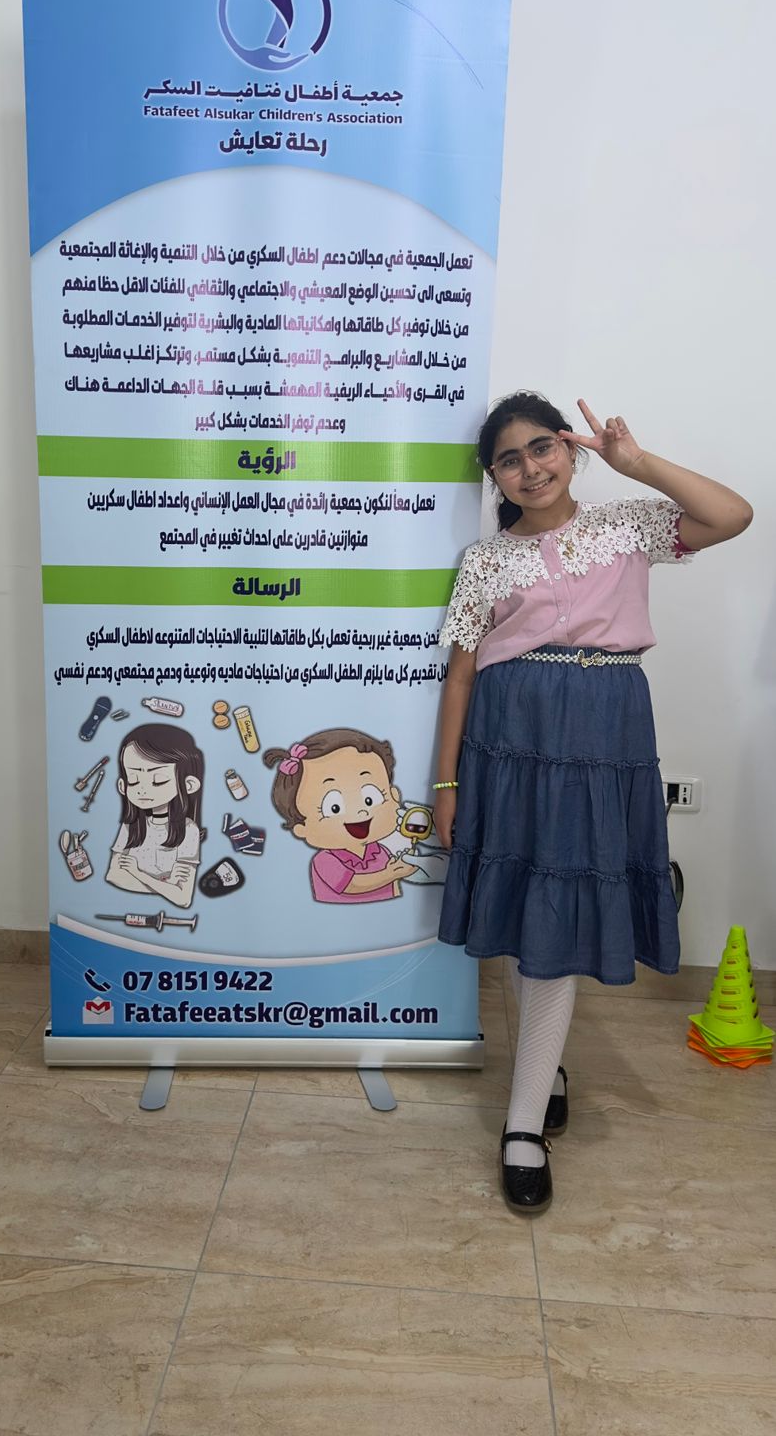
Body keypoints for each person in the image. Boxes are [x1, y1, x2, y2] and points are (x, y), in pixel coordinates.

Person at [433, 391, 752, 1215]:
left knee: (559, 919)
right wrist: (445, 783)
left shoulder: (629, 526)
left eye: (542, 447)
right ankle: (538, 1088)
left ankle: (523, 1120)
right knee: (528, 908)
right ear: (494, 476)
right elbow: (461, 675)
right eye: (509, 459)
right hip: (511, 741)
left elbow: (733, 515)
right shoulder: (485, 560)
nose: (530, 468)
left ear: (570, 451)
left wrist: (635, 462)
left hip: (603, 737)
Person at [263, 728, 417, 902]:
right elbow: (352, 885)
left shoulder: (381, 852)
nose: (360, 812)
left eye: (370, 798)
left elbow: (394, 887)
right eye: (334, 807)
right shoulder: (325, 860)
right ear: (301, 828)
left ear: (394, 795)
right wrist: (391, 874)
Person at [106, 723, 204, 909]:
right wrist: (167, 885)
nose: (142, 790)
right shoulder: (131, 825)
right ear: (123, 786)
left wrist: (137, 873)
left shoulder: (188, 830)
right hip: (125, 906)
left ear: (189, 785)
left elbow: (183, 898)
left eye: (158, 781)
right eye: (133, 780)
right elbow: (114, 876)